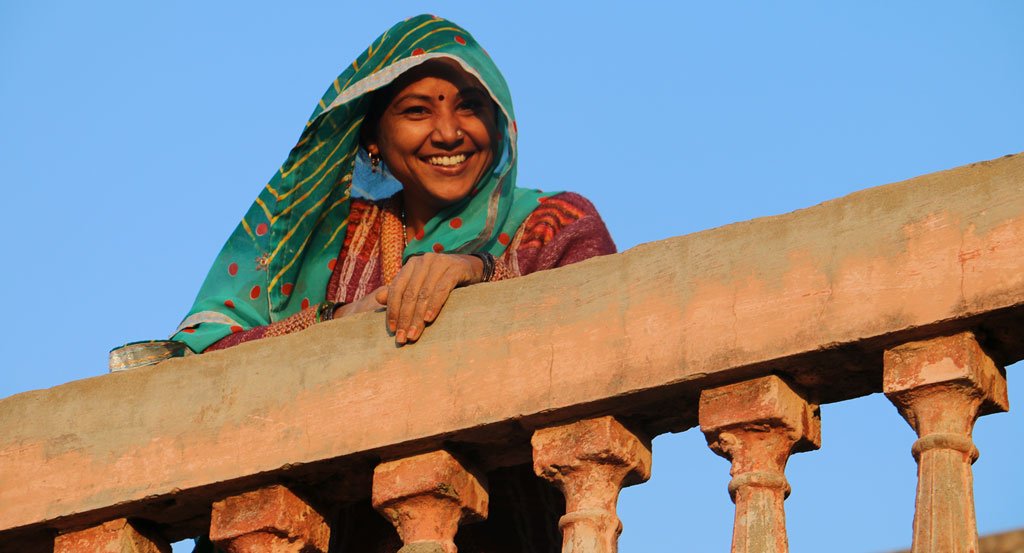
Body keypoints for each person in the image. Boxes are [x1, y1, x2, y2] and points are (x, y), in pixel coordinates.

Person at [170, 14, 615, 356]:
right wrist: (338, 319)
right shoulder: (331, 235)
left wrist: (479, 271)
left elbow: (603, 328)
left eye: (471, 107)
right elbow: (200, 349)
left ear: (499, 125)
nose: (448, 132)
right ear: (372, 141)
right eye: (417, 111)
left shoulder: (556, 224)